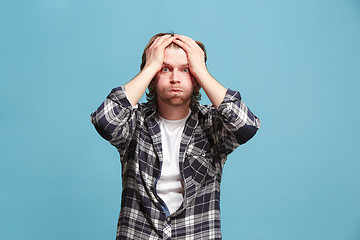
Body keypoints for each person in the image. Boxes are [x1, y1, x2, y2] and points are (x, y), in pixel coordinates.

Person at [90, 33, 261, 240]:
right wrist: (150, 67)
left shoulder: (213, 125)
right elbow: (104, 121)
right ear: (153, 78)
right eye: (165, 68)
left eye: (185, 70)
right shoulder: (134, 122)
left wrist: (201, 71)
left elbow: (246, 126)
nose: (175, 78)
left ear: (196, 79)